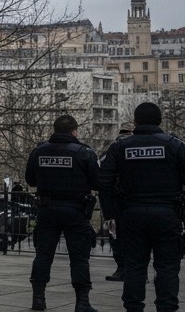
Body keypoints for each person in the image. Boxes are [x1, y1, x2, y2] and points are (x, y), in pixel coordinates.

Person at [100, 102, 185, 312]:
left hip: (131, 214)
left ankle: (133, 307)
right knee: (167, 267)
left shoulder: (120, 147)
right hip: (168, 214)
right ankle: (167, 307)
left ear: (135, 122)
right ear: (160, 121)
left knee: (134, 267)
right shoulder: (175, 145)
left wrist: (111, 215)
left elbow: (104, 182)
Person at [25, 114, 101, 312]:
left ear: (55, 129)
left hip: (47, 210)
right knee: (79, 258)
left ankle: (38, 300)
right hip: (76, 211)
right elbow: (97, 182)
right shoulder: (84, 152)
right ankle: (82, 302)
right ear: (74, 131)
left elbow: (30, 180)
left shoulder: (39, 151)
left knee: (43, 255)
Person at [103, 122, 135, 283]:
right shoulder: (114, 151)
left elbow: (103, 181)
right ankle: (133, 270)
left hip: (118, 203)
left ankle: (124, 269)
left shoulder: (110, 151)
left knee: (118, 237)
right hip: (131, 202)